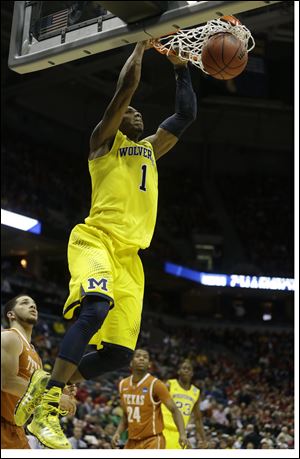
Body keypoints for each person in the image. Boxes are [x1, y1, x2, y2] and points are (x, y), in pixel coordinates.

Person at [17, 38, 197, 449]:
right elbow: (125, 91)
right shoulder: (102, 143)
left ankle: (46, 382)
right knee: (95, 307)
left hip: (130, 259)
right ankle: (48, 403)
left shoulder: (150, 148)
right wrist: (139, 46)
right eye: (127, 111)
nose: (134, 112)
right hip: (95, 239)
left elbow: (185, 113)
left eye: (138, 113)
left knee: (116, 353)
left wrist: (179, 66)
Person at [1, 294, 76, 449]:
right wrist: (53, 397)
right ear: (11, 314)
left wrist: (60, 391)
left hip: (16, 429)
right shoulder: (9, 337)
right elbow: (7, 382)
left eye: (34, 304)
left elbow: (32, 395)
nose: (32, 306)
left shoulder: (36, 355)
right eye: (24, 303)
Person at [111, 349, 189, 449]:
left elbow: (175, 410)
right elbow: (126, 416)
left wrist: (182, 434)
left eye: (145, 357)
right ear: (131, 363)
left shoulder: (156, 384)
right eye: (138, 356)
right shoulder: (122, 384)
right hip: (132, 441)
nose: (141, 358)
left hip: (152, 440)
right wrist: (118, 433)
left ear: (149, 365)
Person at [161, 359, 207, 449]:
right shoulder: (170, 384)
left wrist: (204, 439)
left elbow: (198, 420)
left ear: (192, 373)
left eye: (189, 369)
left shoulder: (195, 392)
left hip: (180, 435)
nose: (186, 370)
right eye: (184, 368)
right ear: (179, 371)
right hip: (163, 430)